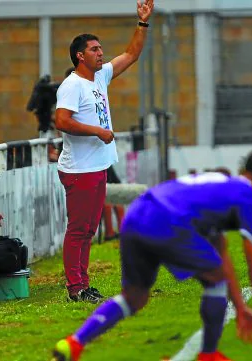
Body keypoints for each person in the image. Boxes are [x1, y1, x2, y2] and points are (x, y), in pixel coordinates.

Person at [52, 149, 252, 361]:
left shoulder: (220, 187)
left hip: (137, 214)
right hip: (167, 220)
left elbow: (220, 250)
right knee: (215, 279)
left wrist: (240, 306)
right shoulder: (249, 199)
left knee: (134, 298)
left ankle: (74, 343)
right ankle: (208, 355)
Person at [54, 0, 154, 303]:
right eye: (95, 50)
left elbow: (132, 54)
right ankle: (76, 288)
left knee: (88, 230)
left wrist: (143, 22)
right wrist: (98, 131)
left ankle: (83, 285)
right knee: (80, 229)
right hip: (79, 169)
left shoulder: (99, 77)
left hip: (95, 165)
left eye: (100, 49)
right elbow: (62, 121)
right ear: (80, 56)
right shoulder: (72, 85)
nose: (101, 53)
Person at [102, 165, 124, 241]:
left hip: (107, 188)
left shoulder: (107, 164)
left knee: (118, 202)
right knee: (107, 204)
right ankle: (109, 233)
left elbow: (117, 183)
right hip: (96, 191)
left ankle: (123, 231)